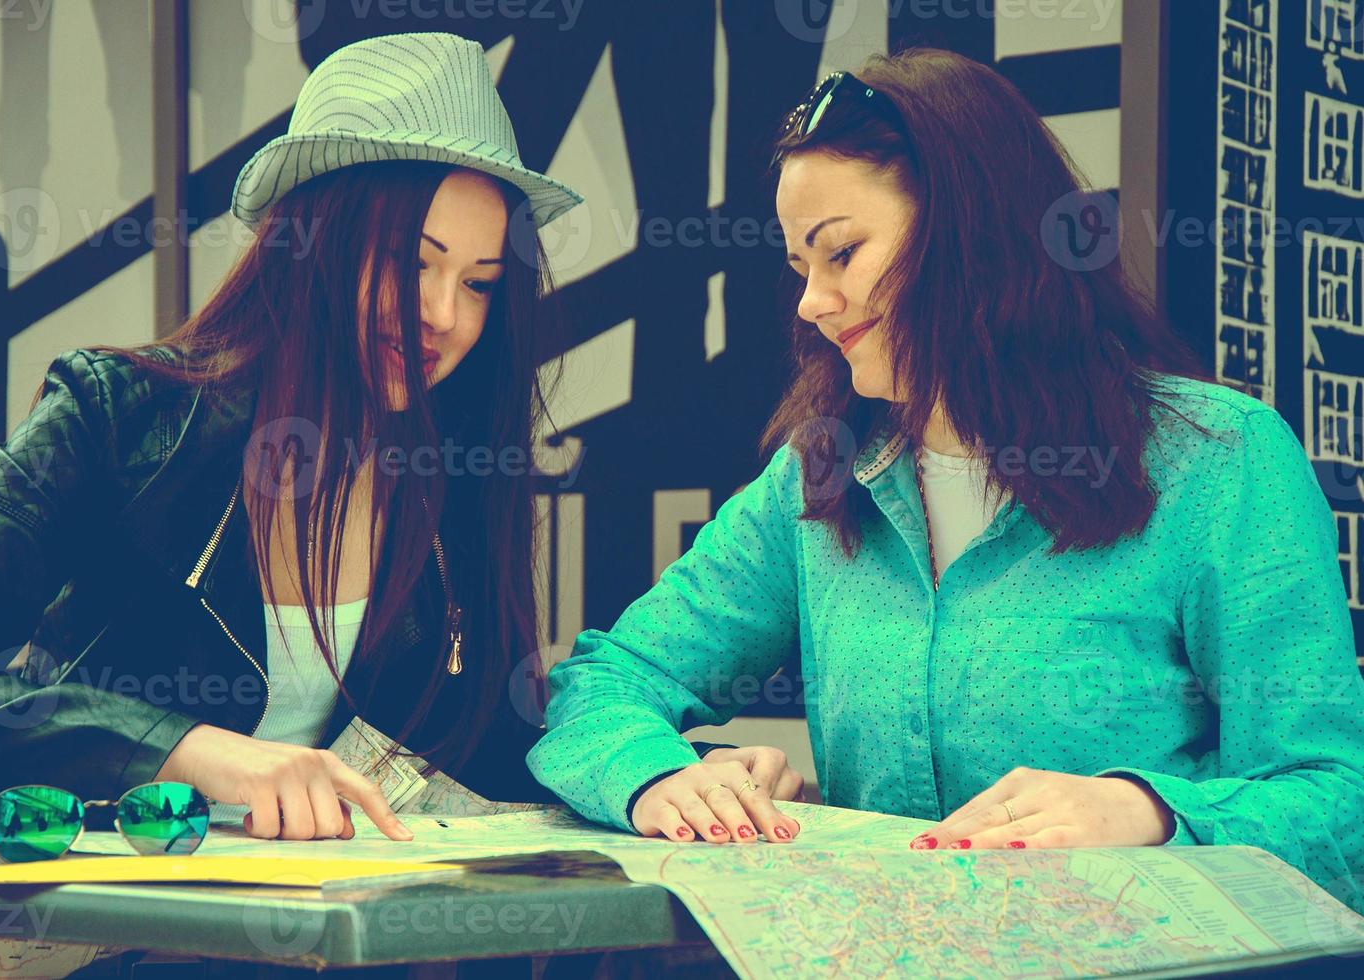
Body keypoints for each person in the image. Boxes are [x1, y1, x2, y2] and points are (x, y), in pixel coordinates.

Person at [0, 32, 798, 850]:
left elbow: (488, 744)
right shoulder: (118, 414)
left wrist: (675, 773)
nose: (443, 314)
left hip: (292, 945)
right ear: (315, 241)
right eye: (413, 262)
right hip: (69, 930)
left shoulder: (450, 474)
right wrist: (192, 753)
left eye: (479, 284)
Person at [526, 47, 1364, 909]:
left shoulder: (1217, 457)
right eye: (799, 269)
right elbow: (603, 682)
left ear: (972, 229)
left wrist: (1144, 809)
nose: (812, 302)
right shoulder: (818, 478)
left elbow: (1339, 805)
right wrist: (661, 777)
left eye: (840, 253)